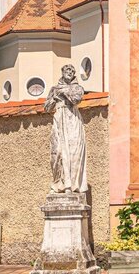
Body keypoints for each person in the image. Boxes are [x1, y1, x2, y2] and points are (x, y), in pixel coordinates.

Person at [45, 64, 88, 193]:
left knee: (73, 152)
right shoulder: (54, 89)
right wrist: (53, 98)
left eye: (72, 71)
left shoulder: (78, 88)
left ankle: (72, 185)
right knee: (57, 152)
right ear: (62, 72)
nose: (69, 72)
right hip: (59, 119)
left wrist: (64, 91)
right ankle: (59, 183)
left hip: (72, 121)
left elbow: (76, 100)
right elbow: (46, 108)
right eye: (67, 70)